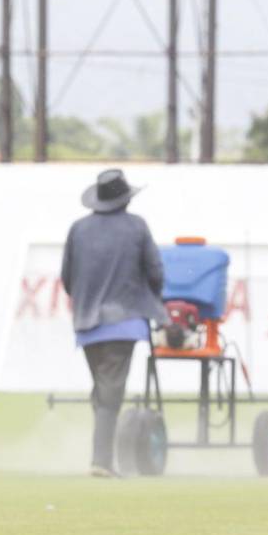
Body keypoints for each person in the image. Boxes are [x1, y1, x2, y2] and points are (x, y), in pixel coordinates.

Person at [61, 169, 167, 477]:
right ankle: (102, 462)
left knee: (102, 390)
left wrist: (83, 301)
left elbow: (67, 278)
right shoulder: (137, 227)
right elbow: (156, 272)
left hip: (86, 323)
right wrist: (151, 299)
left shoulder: (78, 229)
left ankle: (103, 457)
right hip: (124, 322)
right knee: (110, 394)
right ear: (125, 199)